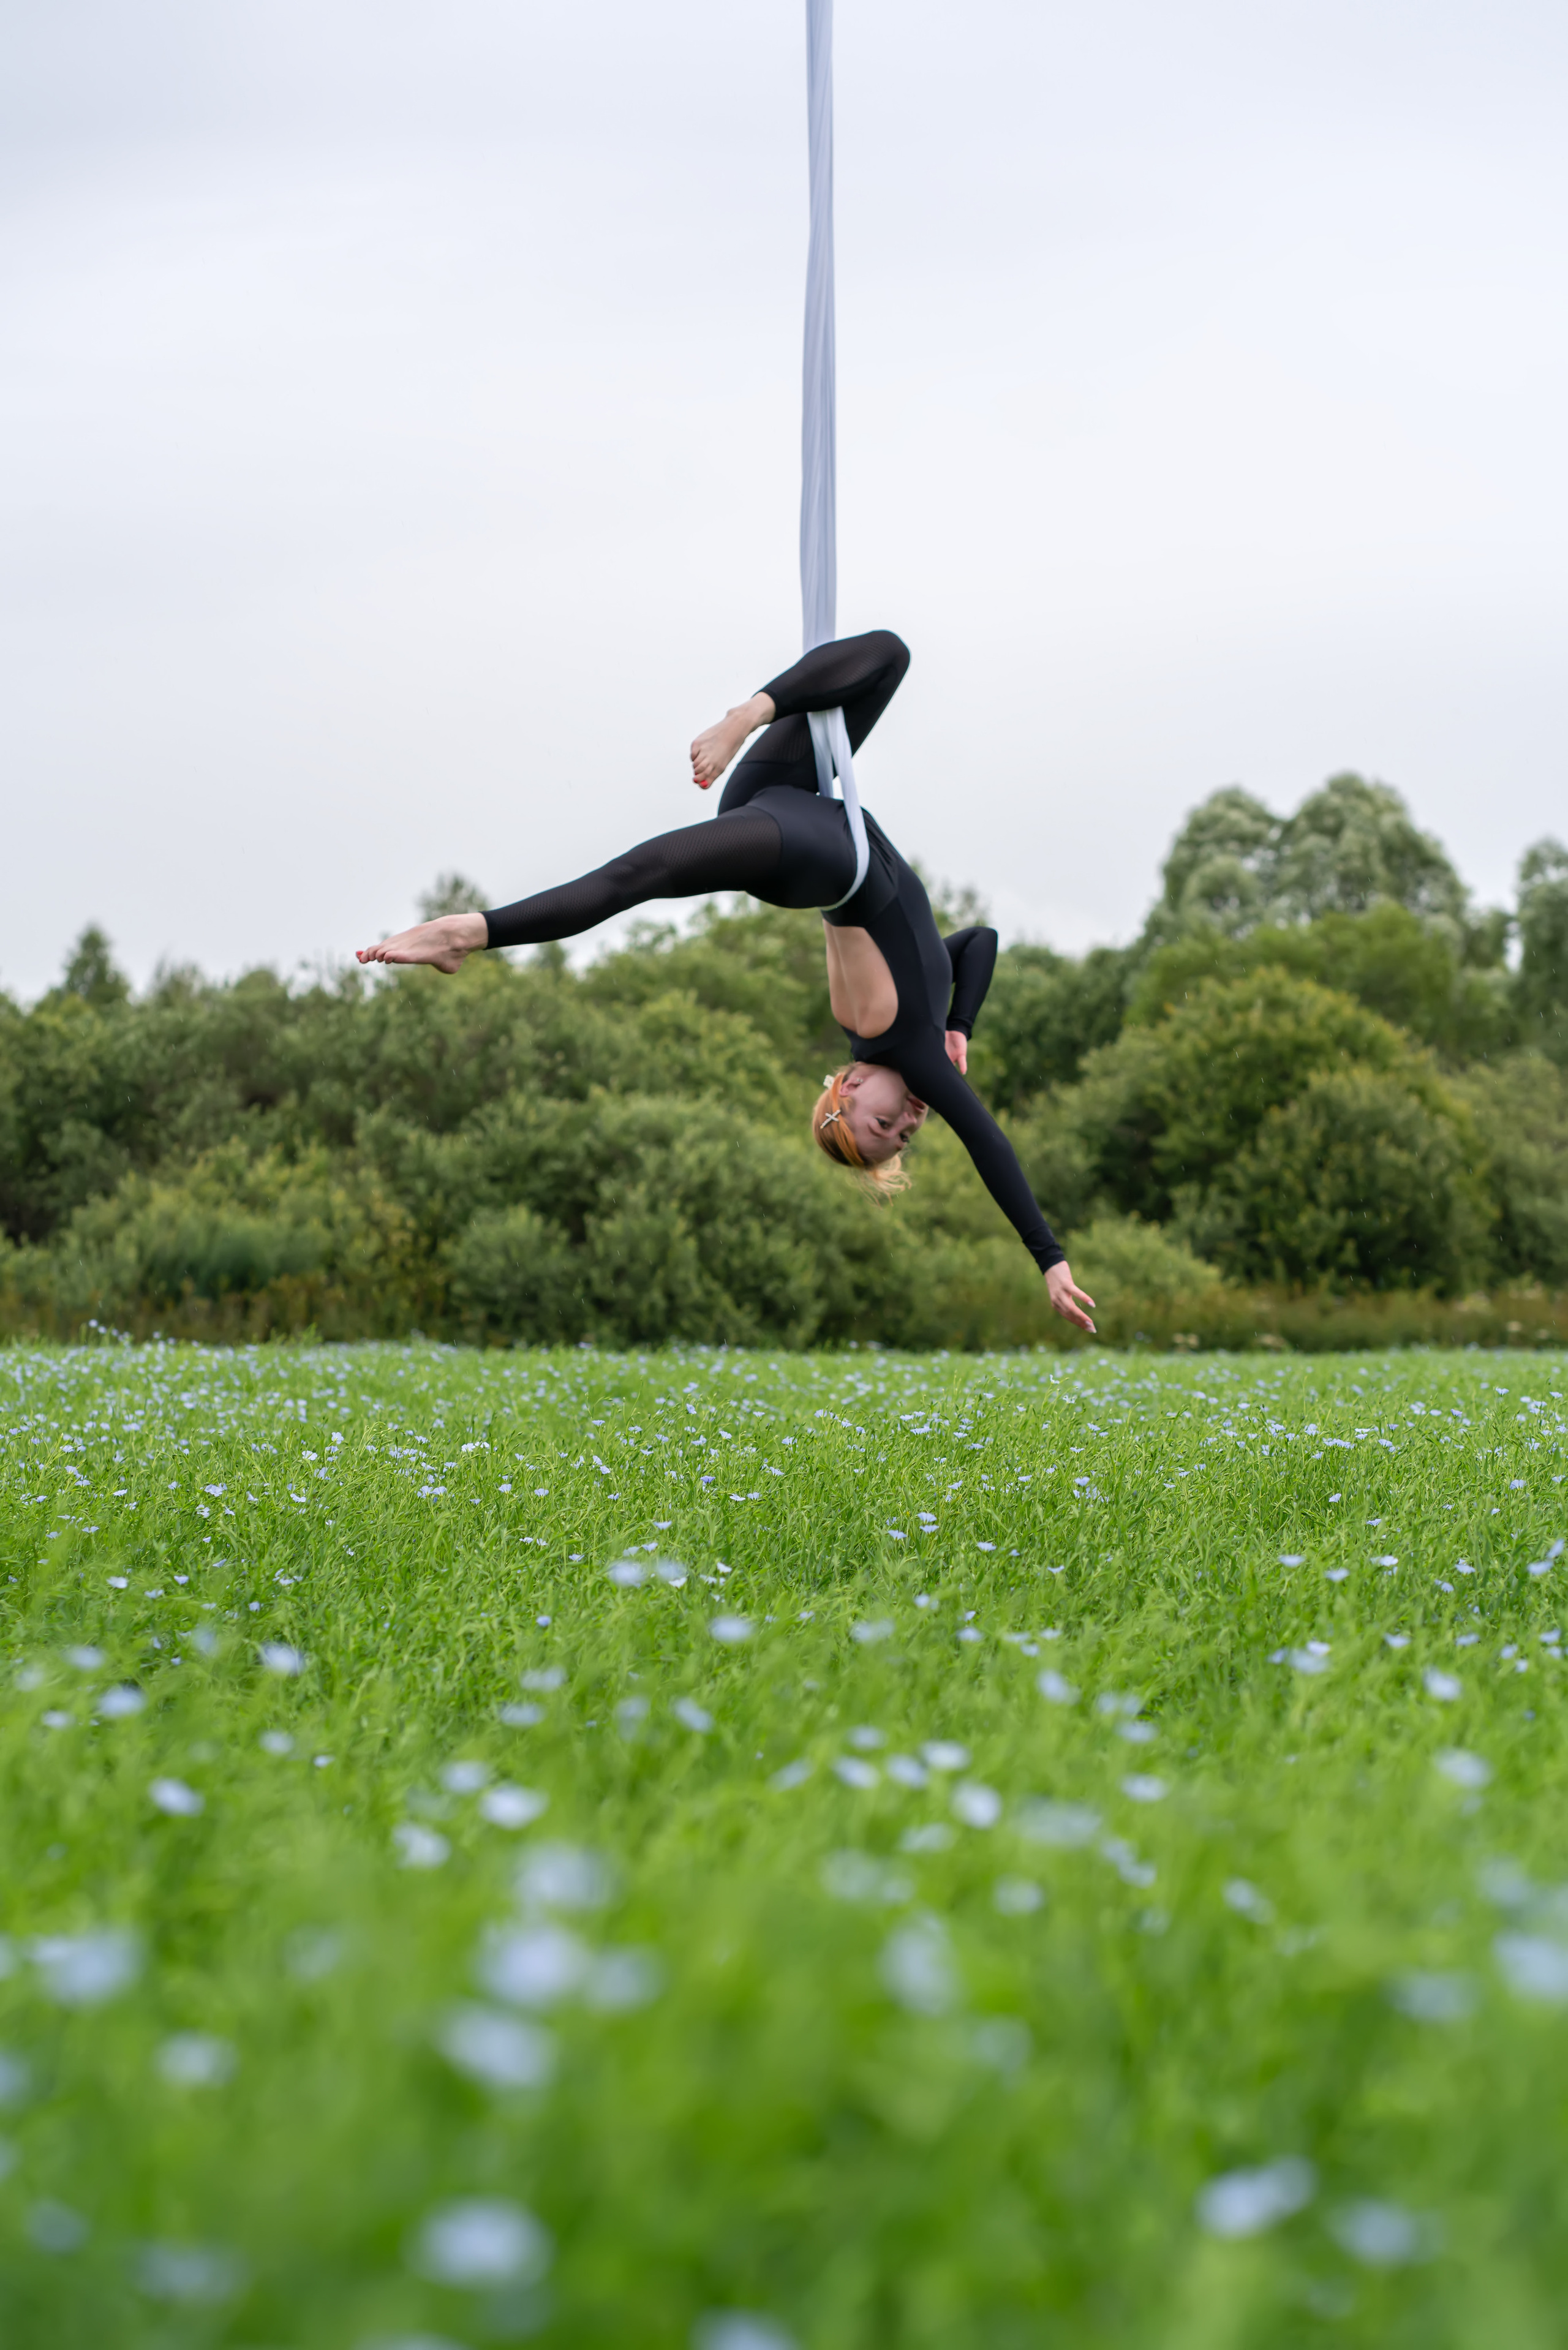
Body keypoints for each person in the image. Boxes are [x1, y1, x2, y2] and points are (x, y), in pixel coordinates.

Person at [359, 629, 1096, 1331]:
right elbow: (976, 943)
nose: (907, 1122)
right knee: (887, 658)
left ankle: (468, 933)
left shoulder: (907, 1052)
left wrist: (1050, 1260)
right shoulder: (923, 1040)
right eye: (903, 1136)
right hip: (787, 802)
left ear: (847, 1087)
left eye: (882, 1126)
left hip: (818, 854)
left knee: (639, 875)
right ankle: (750, 713)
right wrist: (961, 1024)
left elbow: (988, 1145)